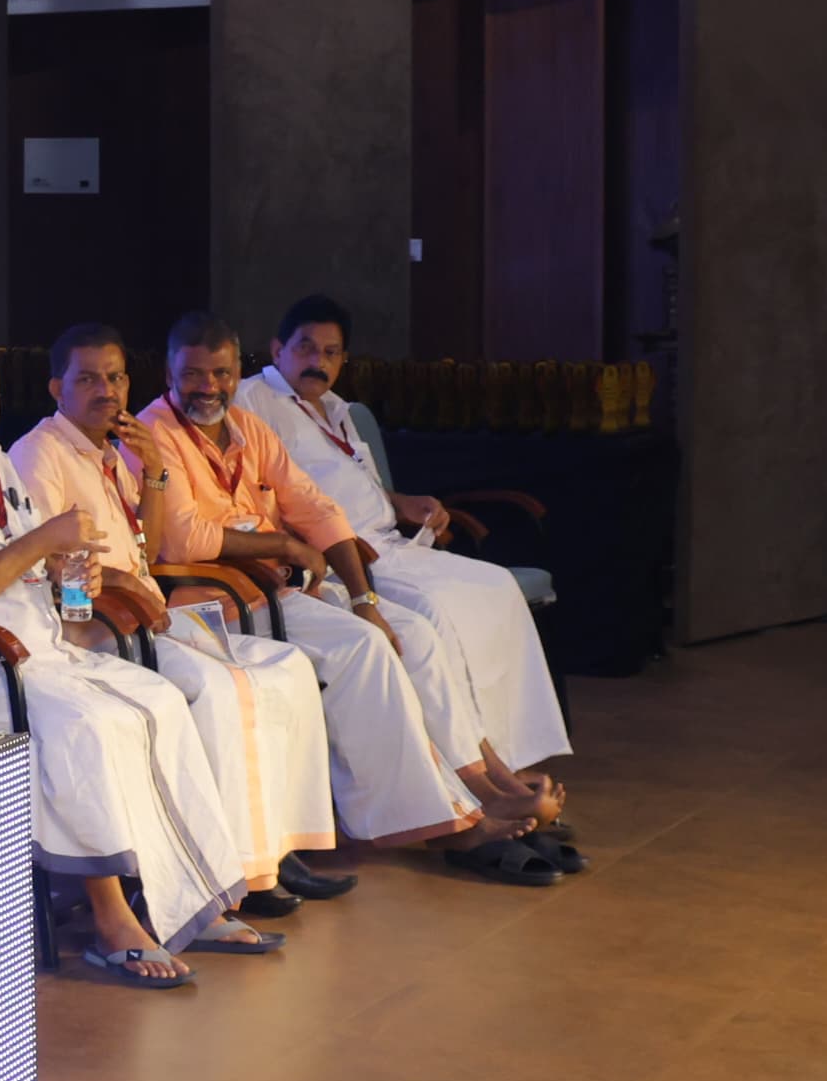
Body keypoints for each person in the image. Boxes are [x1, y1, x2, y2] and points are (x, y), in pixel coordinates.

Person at [0, 344, 281, 987]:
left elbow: (33, 558)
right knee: (88, 726)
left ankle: (192, 899)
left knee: (159, 701)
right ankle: (110, 923)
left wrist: (68, 574)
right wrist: (43, 543)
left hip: (33, 647)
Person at [134, 316, 570, 886]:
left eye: (220, 373)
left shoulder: (248, 428)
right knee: (364, 649)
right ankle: (445, 824)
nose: (208, 387)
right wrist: (283, 544)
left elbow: (317, 509)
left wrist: (364, 597)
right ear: (168, 372)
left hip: (283, 589)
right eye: (193, 374)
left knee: (414, 635)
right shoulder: (153, 433)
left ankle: (481, 787)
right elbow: (182, 538)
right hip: (221, 601)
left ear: (238, 372)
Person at [8, 325, 344, 910]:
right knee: (225, 688)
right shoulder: (42, 453)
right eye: (88, 379)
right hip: (100, 628)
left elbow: (148, 544)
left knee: (285, 669)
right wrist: (124, 588)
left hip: (146, 616)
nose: (106, 391)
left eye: (115, 378)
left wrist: (154, 469)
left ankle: (276, 849)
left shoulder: (108, 450)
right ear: (57, 388)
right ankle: (240, 871)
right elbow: (51, 566)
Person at [250, 295, 579, 785]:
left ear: (343, 359)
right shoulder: (254, 401)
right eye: (306, 348)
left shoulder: (338, 408)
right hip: (348, 553)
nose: (318, 361)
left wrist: (400, 501)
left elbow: (353, 481)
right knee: (436, 612)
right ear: (278, 349)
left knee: (497, 588)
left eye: (331, 352)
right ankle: (460, 769)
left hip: (393, 541)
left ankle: (512, 755)